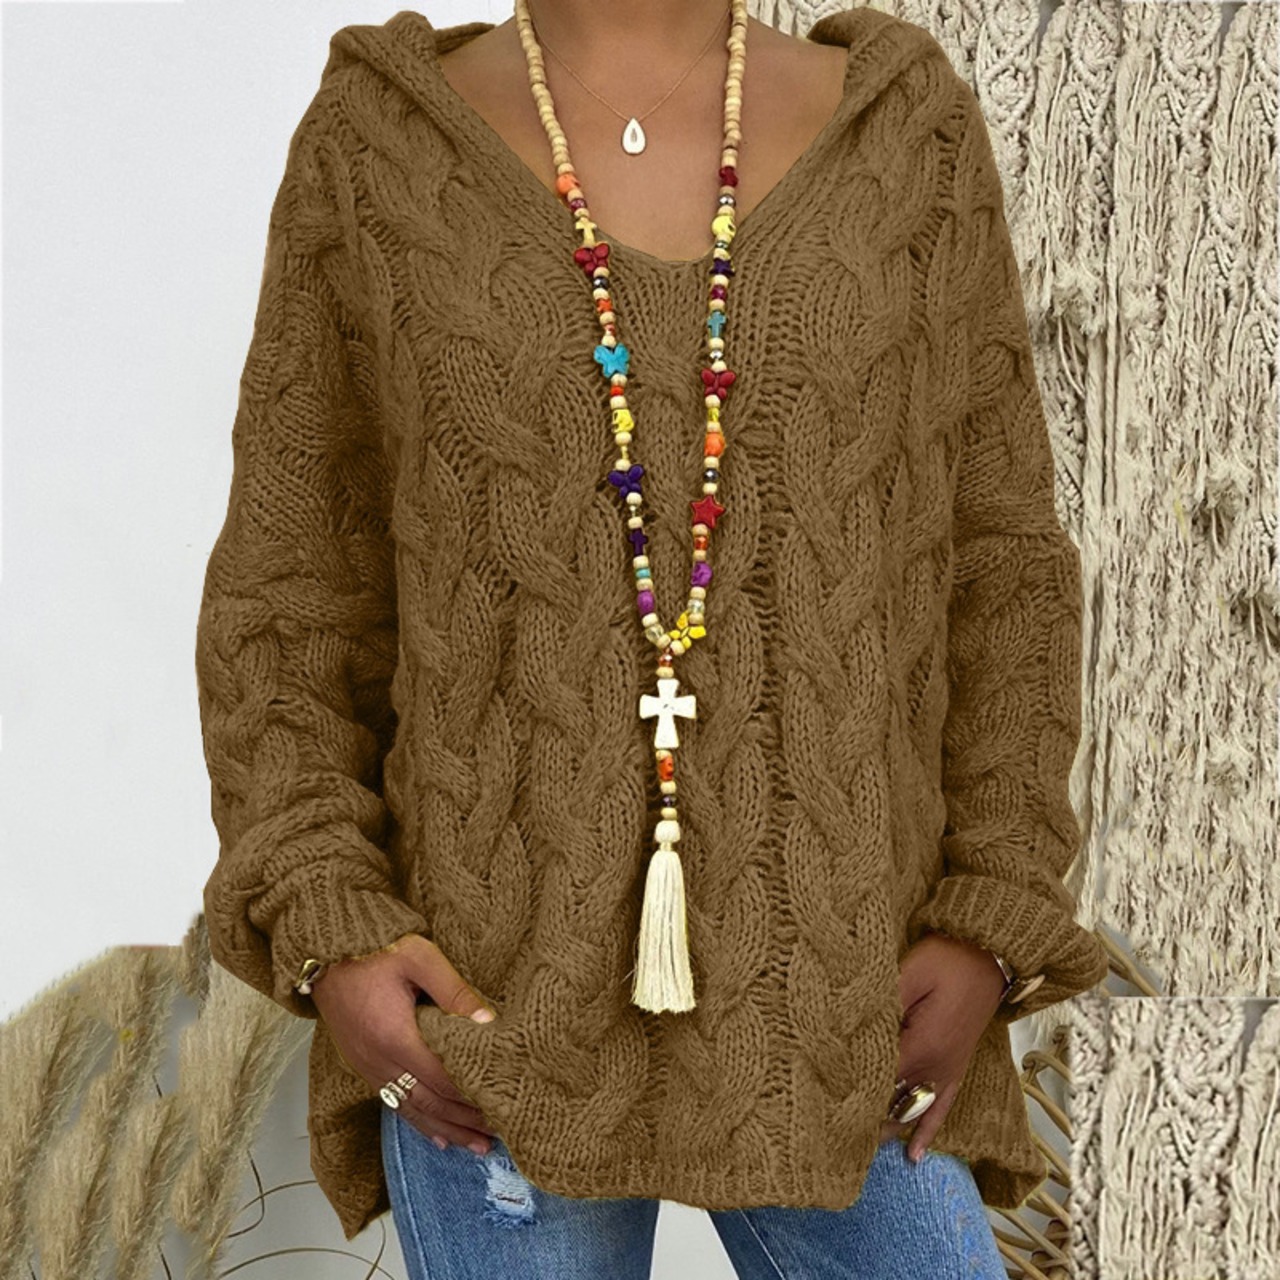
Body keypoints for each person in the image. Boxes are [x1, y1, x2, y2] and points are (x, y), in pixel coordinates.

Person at [194, 1, 1110, 1275]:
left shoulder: (908, 136)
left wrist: (990, 916)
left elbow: (1001, 567)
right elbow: (288, 593)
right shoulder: (377, 145)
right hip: (488, 1021)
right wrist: (330, 921)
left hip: (850, 1004)